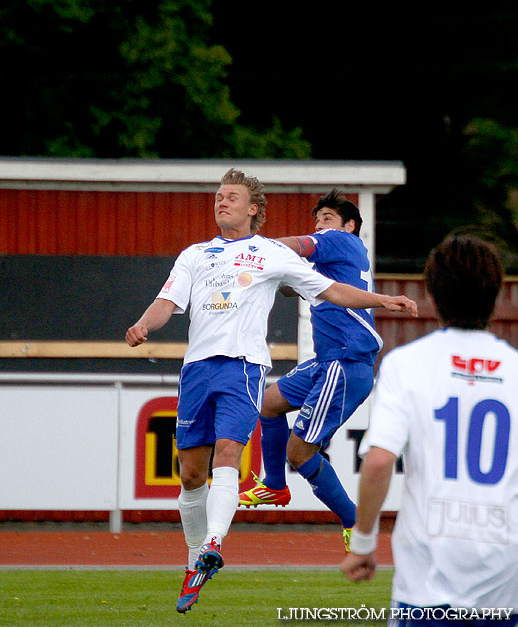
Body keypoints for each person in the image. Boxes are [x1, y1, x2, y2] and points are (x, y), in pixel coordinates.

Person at [125, 168, 418, 614]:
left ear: (253, 209)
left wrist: (382, 300)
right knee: (196, 470)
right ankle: (207, 551)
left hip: (275, 365)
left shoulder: (294, 249)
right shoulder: (195, 255)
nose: (221, 201)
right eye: (218, 196)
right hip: (208, 369)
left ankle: (227, 540)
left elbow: (327, 284)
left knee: (249, 454)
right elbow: (169, 301)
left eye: (231, 196)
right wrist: (146, 322)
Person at [341, 235, 518, 624]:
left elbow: (378, 461)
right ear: (495, 293)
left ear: (433, 294)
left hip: (426, 575)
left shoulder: (406, 364)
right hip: (505, 575)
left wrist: (364, 543)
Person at [239, 190, 381, 553]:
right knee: (269, 404)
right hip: (328, 360)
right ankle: (274, 484)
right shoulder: (333, 264)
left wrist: (253, 248)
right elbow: (292, 286)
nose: (320, 226)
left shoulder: (340, 241)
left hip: (345, 362)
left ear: (349, 225)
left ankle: (354, 521)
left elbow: (296, 246)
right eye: (318, 220)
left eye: (328, 218)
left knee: (299, 453)